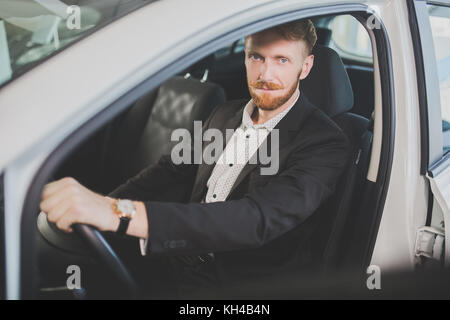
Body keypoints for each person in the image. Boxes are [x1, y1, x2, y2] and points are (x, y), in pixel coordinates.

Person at [40, 19, 350, 298]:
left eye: (282, 60)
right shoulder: (224, 113)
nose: (265, 74)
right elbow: (169, 170)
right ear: (245, 56)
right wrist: (104, 206)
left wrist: (117, 213)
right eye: (257, 57)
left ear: (305, 66)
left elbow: (257, 219)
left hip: (245, 286)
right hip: (175, 259)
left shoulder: (324, 142)